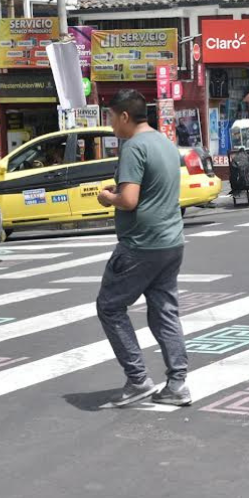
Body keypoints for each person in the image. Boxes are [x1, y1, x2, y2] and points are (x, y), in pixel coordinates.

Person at [95, 89, 191, 408]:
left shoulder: (133, 147)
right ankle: (177, 384)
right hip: (171, 241)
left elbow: (129, 200)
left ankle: (137, 380)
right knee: (164, 312)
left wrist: (108, 197)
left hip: (140, 244)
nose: (110, 126)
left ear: (124, 116)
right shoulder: (164, 142)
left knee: (109, 306)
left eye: (111, 117)